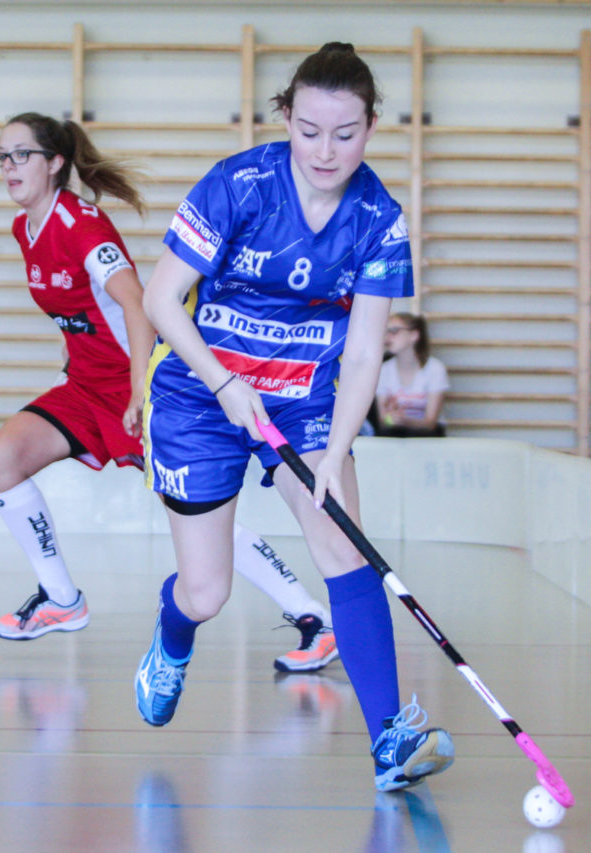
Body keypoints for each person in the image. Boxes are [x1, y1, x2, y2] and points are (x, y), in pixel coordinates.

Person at [134, 44, 455, 793]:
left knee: (344, 546)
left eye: (346, 133)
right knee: (206, 591)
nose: (326, 150)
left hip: (306, 401)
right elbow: (158, 301)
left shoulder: (380, 218)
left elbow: (368, 348)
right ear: (287, 116)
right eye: (310, 130)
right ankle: (172, 635)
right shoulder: (238, 185)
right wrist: (223, 382)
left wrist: (338, 449)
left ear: (372, 126)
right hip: (200, 395)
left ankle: (389, 742)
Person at [0, 112, 338, 672]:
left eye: (20, 154)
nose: (8, 167)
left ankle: (312, 617)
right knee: (0, 459)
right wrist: (70, 364)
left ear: (54, 163)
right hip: (83, 385)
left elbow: (136, 302)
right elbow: (79, 316)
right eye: (1, 156)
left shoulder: (82, 226)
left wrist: (139, 391)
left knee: (200, 511)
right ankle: (61, 600)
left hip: (140, 383)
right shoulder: (24, 228)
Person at [370, 312, 448, 437]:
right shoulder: (384, 370)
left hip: (428, 436)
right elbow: (383, 422)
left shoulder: (435, 369)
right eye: (386, 332)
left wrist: (405, 421)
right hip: (396, 435)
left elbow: (431, 423)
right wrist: (392, 419)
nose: (388, 337)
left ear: (414, 335)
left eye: (394, 331)